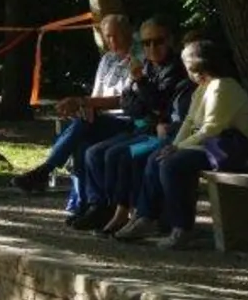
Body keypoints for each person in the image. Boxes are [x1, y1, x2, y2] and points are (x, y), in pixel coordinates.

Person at [121, 39, 248, 250]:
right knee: (158, 157)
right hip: (210, 146)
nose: (187, 72)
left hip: (230, 149)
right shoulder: (203, 88)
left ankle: (181, 228)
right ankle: (146, 217)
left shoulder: (223, 87)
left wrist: (179, 148)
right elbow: (190, 122)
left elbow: (211, 128)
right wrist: (174, 145)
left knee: (172, 164)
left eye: (188, 66)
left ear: (198, 66)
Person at [69, 18, 193, 234]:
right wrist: (145, 103)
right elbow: (128, 102)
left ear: (170, 40)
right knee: (94, 152)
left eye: (158, 41)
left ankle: (128, 214)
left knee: (121, 155)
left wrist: (142, 87)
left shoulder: (176, 69)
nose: (152, 48)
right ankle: (104, 207)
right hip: (143, 128)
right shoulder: (145, 66)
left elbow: (159, 105)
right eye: (146, 43)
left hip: (160, 135)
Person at [10, 14, 137, 211]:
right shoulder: (107, 60)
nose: (112, 41)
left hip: (127, 121)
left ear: (128, 33)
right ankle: (88, 205)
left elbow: (126, 101)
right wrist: (83, 108)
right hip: (102, 120)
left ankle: (45, 171)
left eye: (116, 36)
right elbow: (96, 96)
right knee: (81, 142)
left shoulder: (140, 59)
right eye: (108, 36)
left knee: (83, 128)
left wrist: (81, 102)